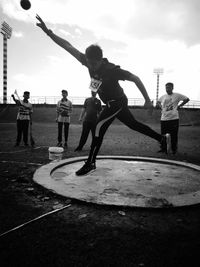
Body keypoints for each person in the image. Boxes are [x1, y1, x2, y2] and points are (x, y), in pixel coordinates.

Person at [36, 15, 170, 175]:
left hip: (117, 101)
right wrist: (48, 32)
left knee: (98, 127)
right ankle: (161, 138)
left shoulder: (112, 70)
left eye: (94, 63)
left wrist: (147, 100)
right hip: (111, 103)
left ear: (101, 60)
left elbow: (136, 78)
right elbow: (67, 45)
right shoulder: (87, 61)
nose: (91, 66)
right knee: (133, 124)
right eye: (88, 62)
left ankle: (90, 162)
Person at [156, 82, 190, 154]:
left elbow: (187, 99)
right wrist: (161, 107)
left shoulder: (177, 95)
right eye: (166, 87)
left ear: (172, 88)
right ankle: (163, 148)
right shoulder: (163, 96)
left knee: (174, 135)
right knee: (163, 134)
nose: (167, 89)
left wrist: (179, 106)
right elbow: (158, 102)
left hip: (174, 118)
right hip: (164, 119)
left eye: (169, 87)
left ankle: (174, 149)